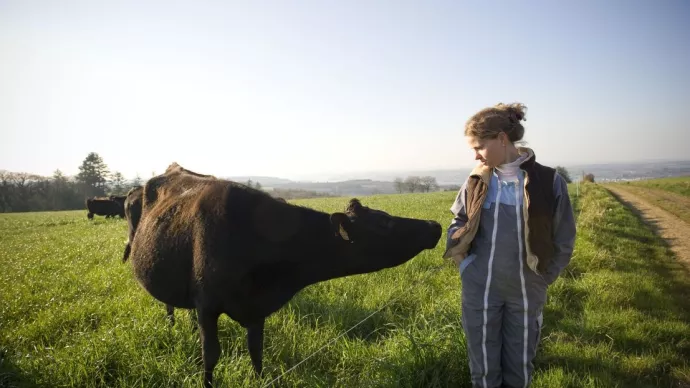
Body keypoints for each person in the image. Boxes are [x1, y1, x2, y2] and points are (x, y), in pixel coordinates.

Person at [443, 102, 576, 387]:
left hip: (527, 291)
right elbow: (458, 222)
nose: (476, 155)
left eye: (479, 146)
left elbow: (564, 238)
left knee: (519, 368)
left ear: (502, 139)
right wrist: (463, 263)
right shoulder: (476, 180)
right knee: (484, 370)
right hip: (480, 289)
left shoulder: (549, 181)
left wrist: (543, 278)